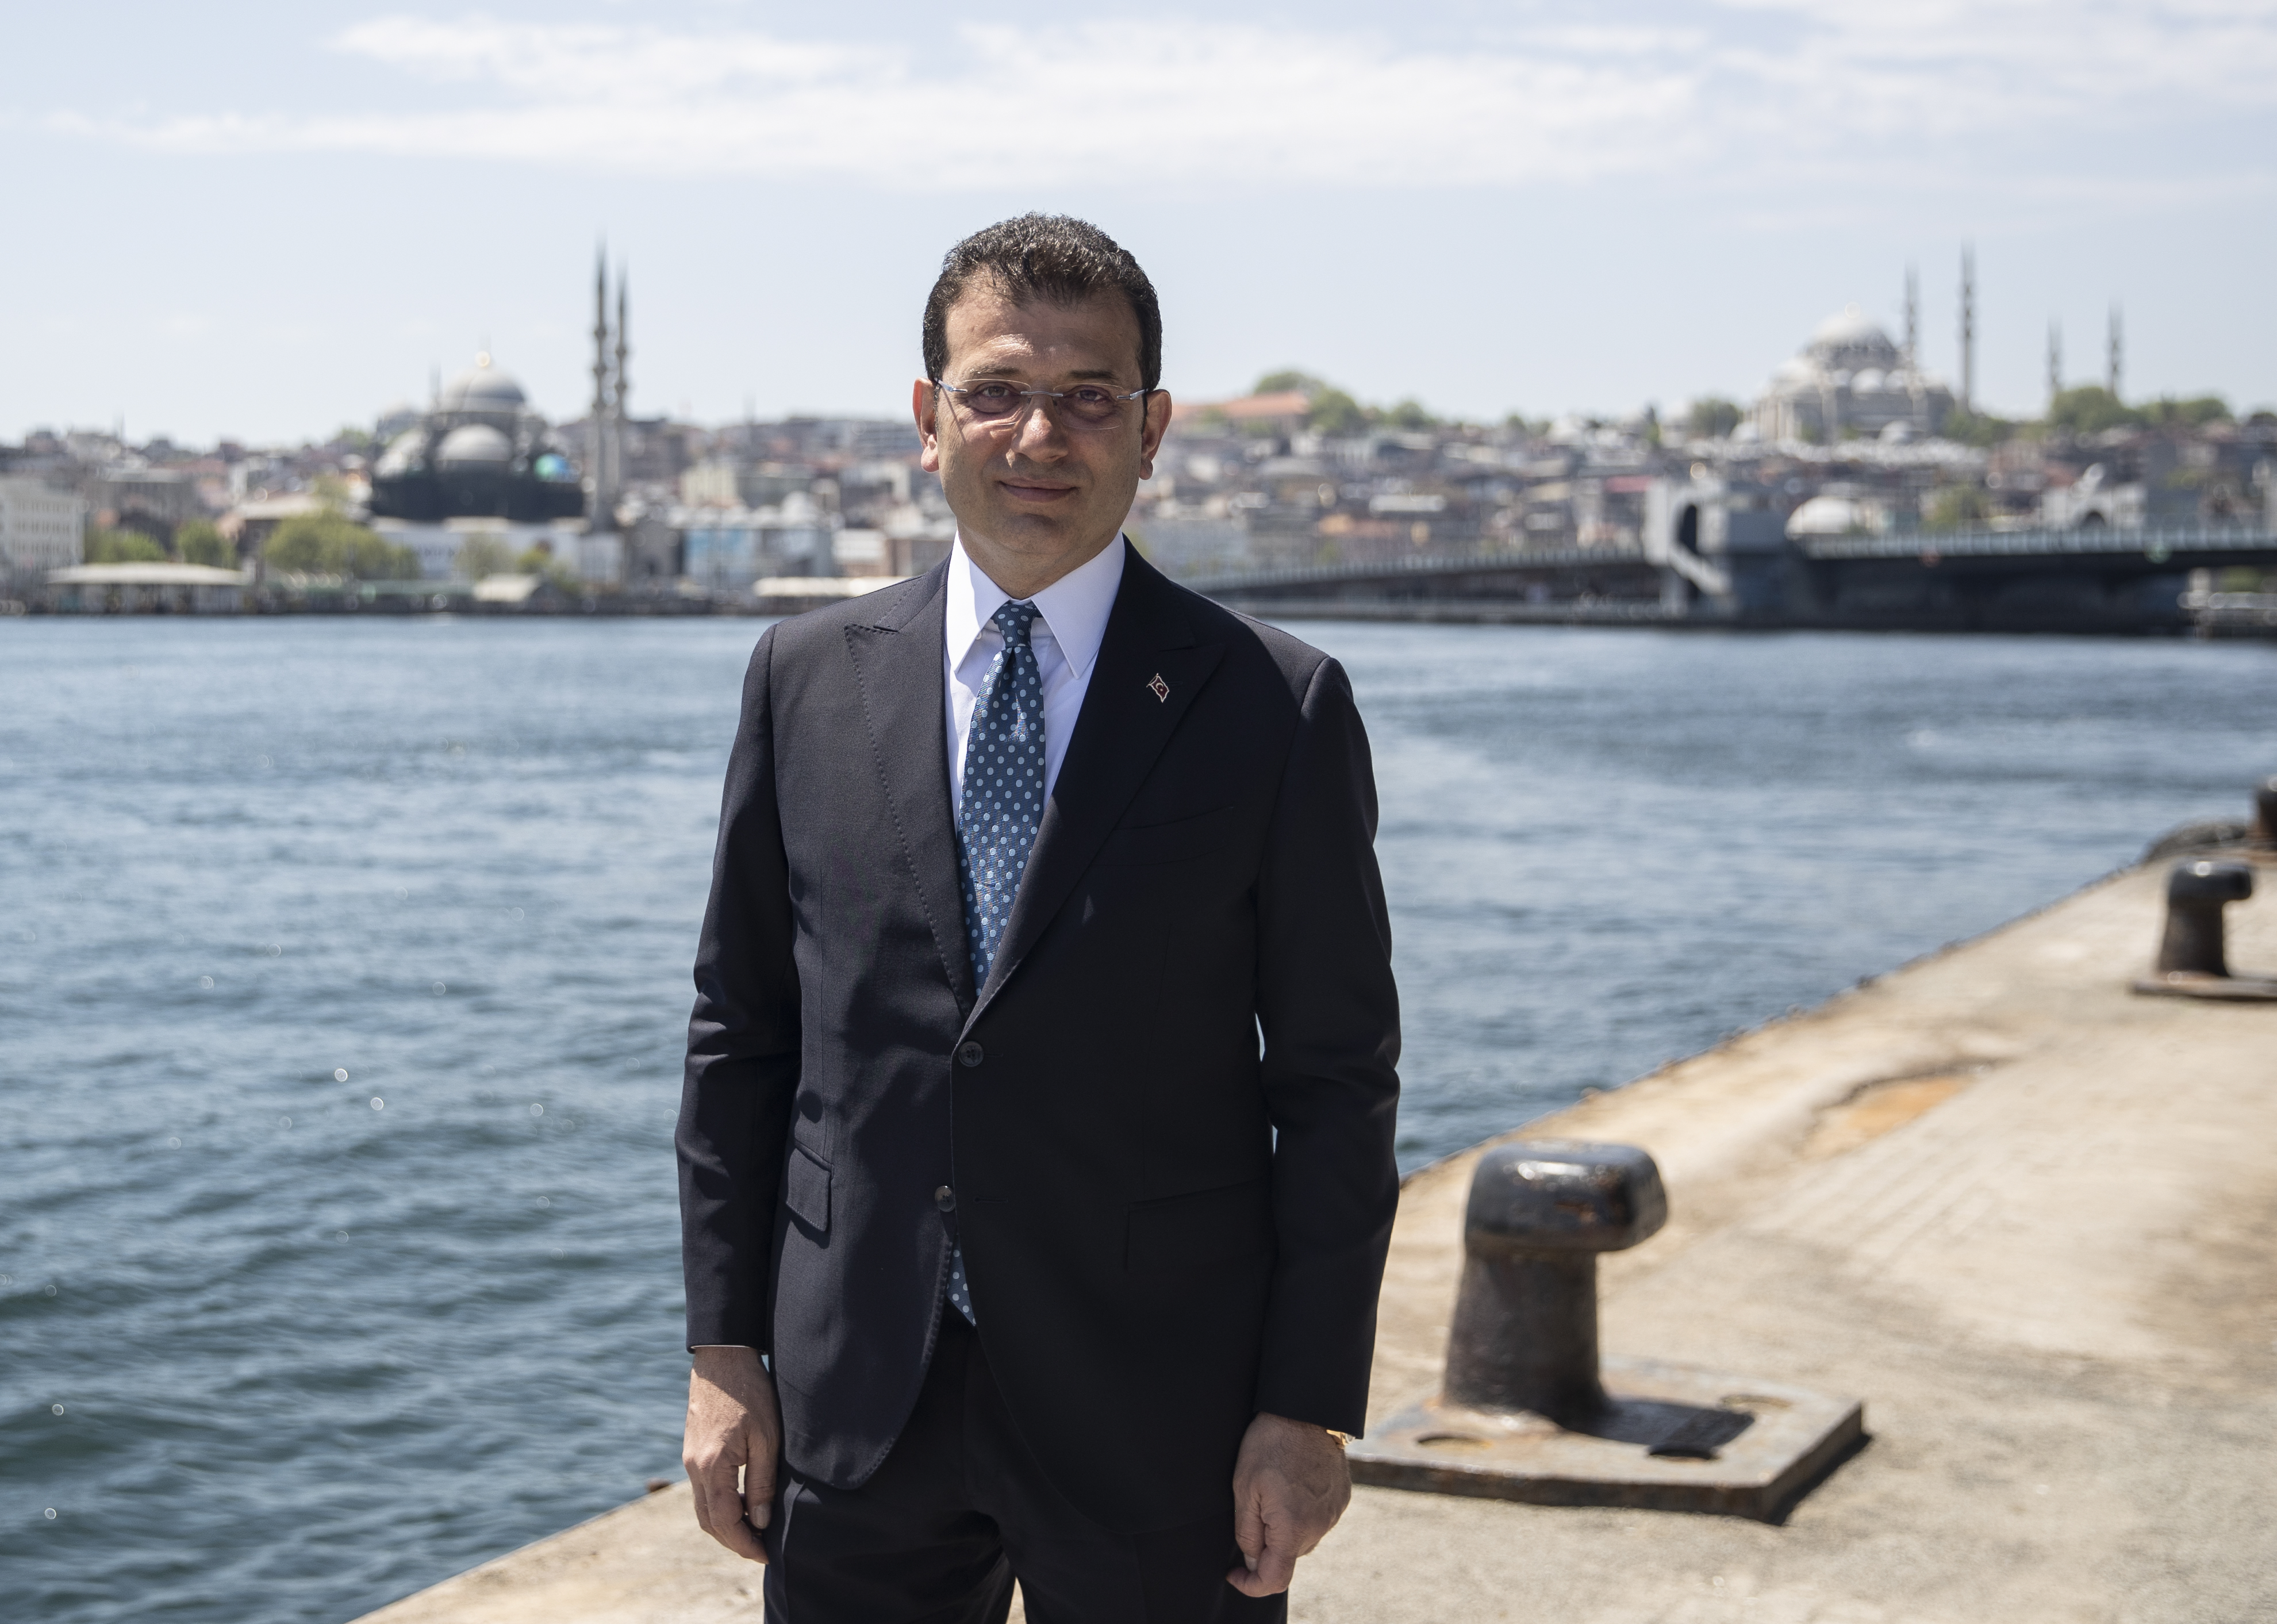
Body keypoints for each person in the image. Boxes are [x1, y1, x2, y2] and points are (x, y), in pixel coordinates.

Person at [677, 213, 1401, 1623]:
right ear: (927, 420)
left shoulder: (1275, 705)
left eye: (1087, 397)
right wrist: (723, 1353)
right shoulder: (801, 679)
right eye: (996, 390)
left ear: (1152, 429)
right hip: (855, 1395)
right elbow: (739, 1038)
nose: (1038, 436)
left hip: (1162, 1410)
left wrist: (1306, 1405)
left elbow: (1334, 1082)